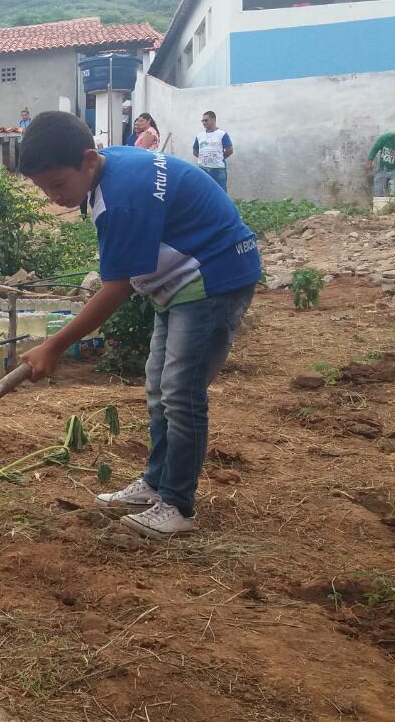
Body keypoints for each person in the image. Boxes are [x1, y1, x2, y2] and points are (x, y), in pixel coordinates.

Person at [17, 111, 260, 538]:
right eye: (44, 189)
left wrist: (53, 346)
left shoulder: (122, 197)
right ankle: (156, 484)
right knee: (158, 387)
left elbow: (116, 288)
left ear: (88, 161)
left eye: (57, 184)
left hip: (212, 278)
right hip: (181, 280)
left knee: (181, 394)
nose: (53, 196)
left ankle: (178, 505)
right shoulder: (111, 170)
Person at [365, 128, 395, 197]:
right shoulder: (386, 138)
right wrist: (369, 162)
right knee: (378, 189)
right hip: (382, 169)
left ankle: (394, 206)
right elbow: (375, 149)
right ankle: (378, 206)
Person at [193, 111, 232, 192]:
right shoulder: (199, 135)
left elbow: (229, 150)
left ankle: (221, 205)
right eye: (202, 121)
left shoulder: (222, 134)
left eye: (206, 120)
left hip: (218, 170)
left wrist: (219, 158)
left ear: (213, 119)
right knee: (203, 192)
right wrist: (204, 159)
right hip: (203, 169)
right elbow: (195, 151)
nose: (204, 122)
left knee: (220, 193)